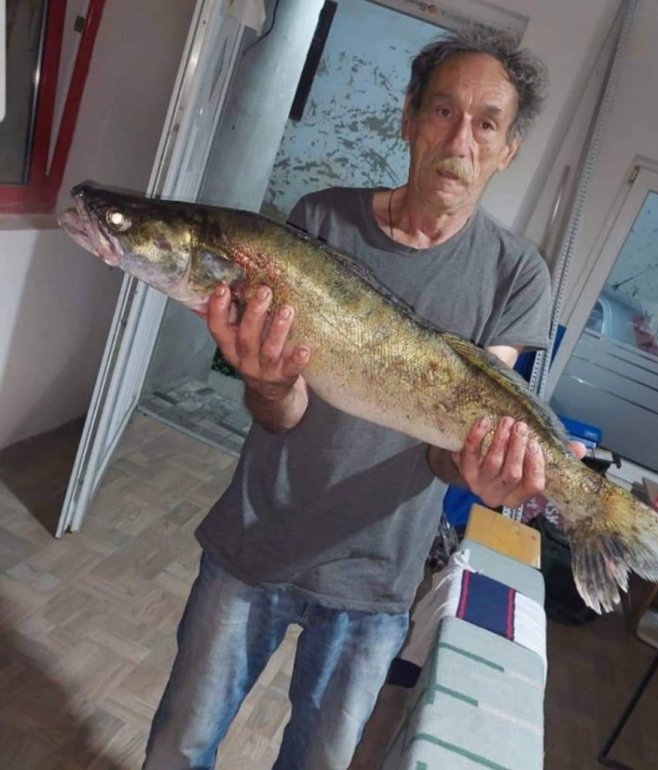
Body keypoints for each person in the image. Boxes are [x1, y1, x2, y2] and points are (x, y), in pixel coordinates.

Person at [144, 28, 576, 770]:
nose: (460, 141)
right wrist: (265, 381)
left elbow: (448, 452)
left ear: (508, 149)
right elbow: (282, 414)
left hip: (376, 579)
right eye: (443, 111)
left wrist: (483, 468)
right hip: (256, 541)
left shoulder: (517, 277)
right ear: (409, 118)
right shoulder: (320, 221)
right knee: (179, 746)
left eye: (486, 124)